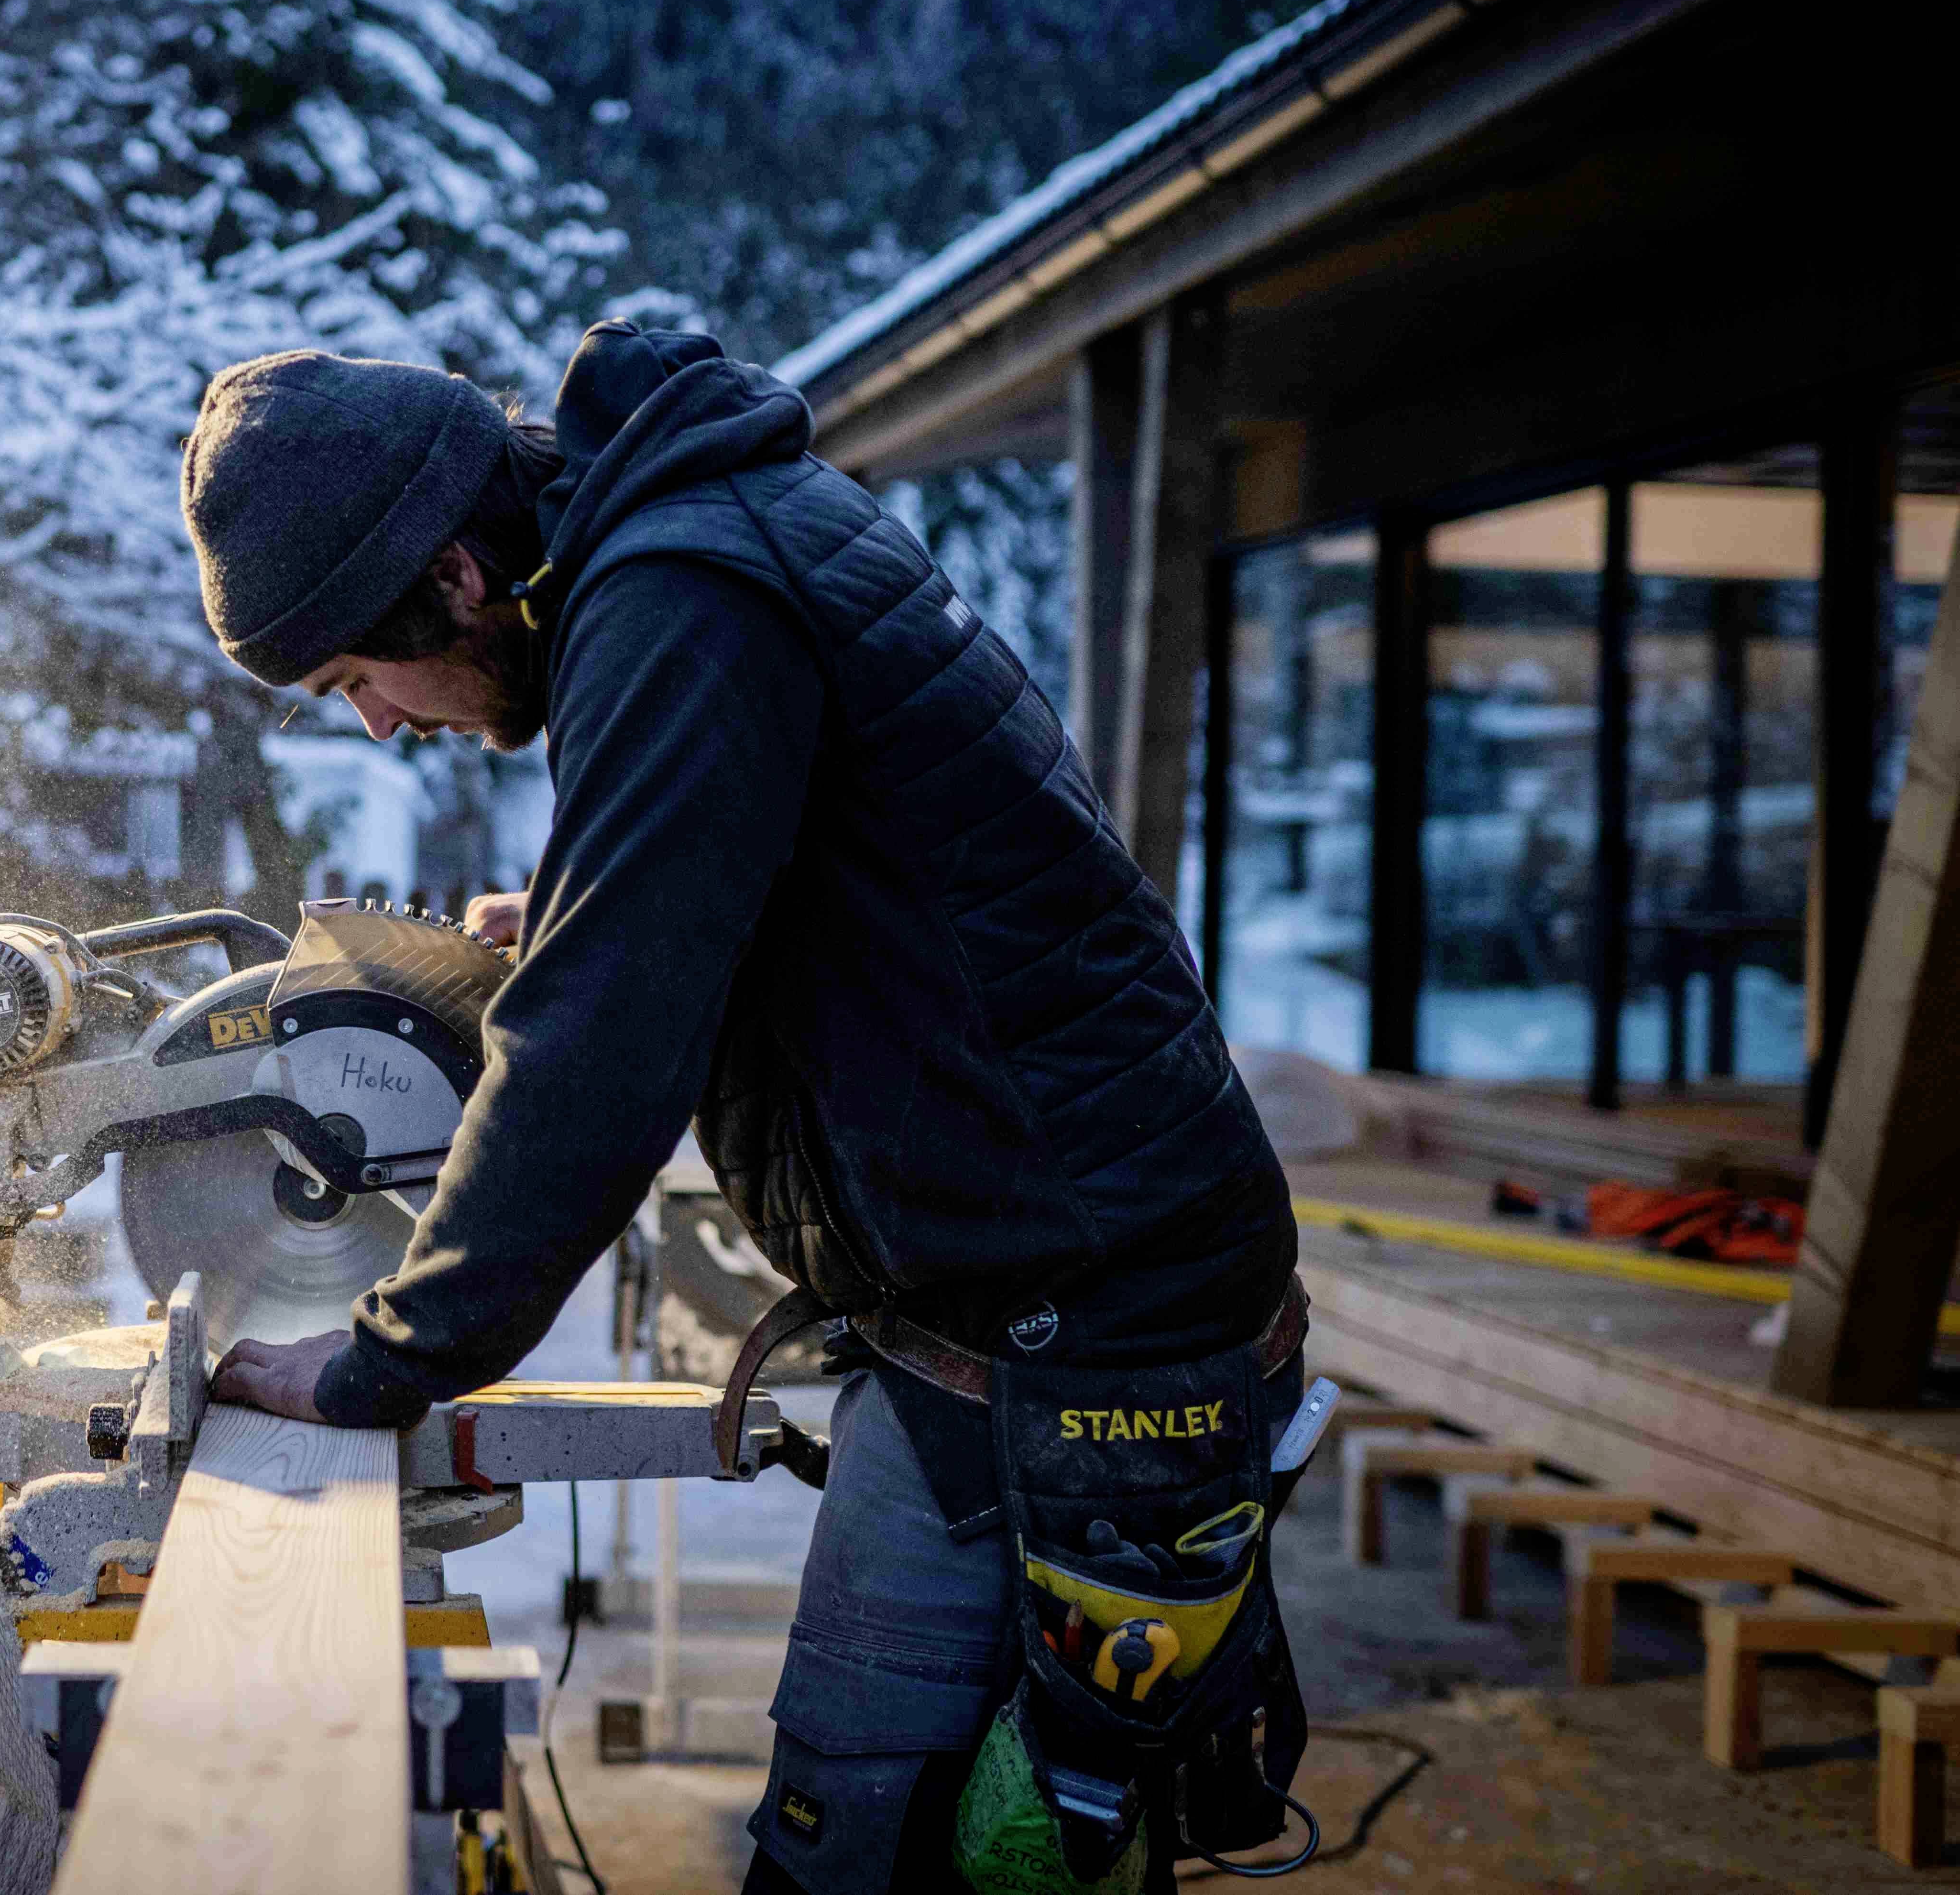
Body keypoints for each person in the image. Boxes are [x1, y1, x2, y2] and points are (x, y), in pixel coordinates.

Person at [184, 320, 1301, 1893]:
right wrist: (590, 905)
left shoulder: (678, 594)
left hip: (1080, 1336)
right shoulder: (688, 540)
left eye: (358, 677)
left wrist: (391, 1354)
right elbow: (820, 855)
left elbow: (601, 1046)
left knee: (895, 1854)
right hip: (1058, 1290)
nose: (380, 720)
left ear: (453, 574)